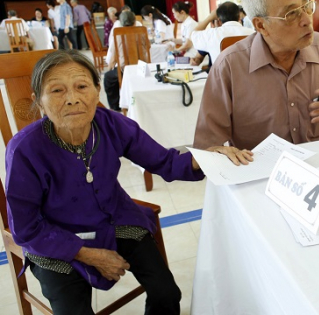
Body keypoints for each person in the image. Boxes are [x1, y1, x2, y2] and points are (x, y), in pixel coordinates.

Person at [5, 50, 204, 315]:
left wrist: (207, 158)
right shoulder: (24, 150)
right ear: (38, 102)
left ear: (97, 90)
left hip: (113, 219)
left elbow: (164, 161)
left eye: (81, 86)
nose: (72, 99)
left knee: (167, 293)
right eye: (56, 91)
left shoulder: (111, 125)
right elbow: (26, 228)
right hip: (53, 235)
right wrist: (88, 253)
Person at [193, 0, 319, 164]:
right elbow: (208, 146)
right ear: (261, 25)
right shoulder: (229, 67)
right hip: (259, 172)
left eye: (307, 6)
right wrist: (222, 153)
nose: (307, 20)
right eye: (291, 14)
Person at [183, 1, 255, 66]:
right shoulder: (253, 33)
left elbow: (192, 35)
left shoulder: (211, 34)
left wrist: (209, 18)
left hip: (221, 78)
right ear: (239, 17)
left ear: (219, 20)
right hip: (249, 78)